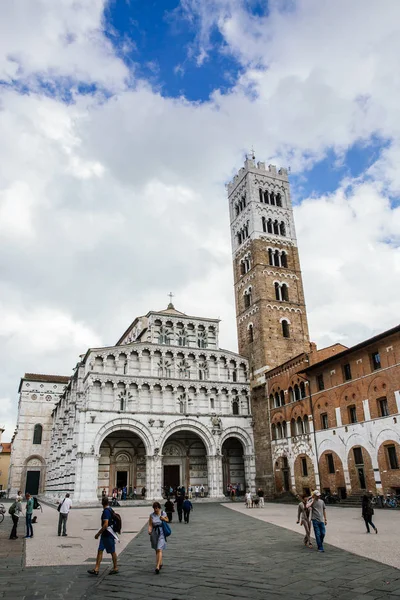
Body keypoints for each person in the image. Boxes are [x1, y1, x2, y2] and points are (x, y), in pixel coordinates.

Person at [87, 496, 119, 576]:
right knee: (100, 550)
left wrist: (98, 533)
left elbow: (105, 525)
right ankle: (96, 569)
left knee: (112, 551)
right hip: (106, 534)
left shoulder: (106, 512)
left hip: (107, 534)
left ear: (102, 503)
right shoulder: (110, 509)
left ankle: (115, 567)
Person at [148, 501, 169, 574]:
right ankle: (160, 562)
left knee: (159, 549)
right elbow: (150, 524)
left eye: (156, 508)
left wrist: (163, 519)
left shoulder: (163, 513)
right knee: (156, 549)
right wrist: (149, 530)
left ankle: (157, 566)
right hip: (154, 532)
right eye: (154, 508)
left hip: (161, 532)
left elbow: (167, 520)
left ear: (159, 508)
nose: (155, 510)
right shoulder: (151, 515)